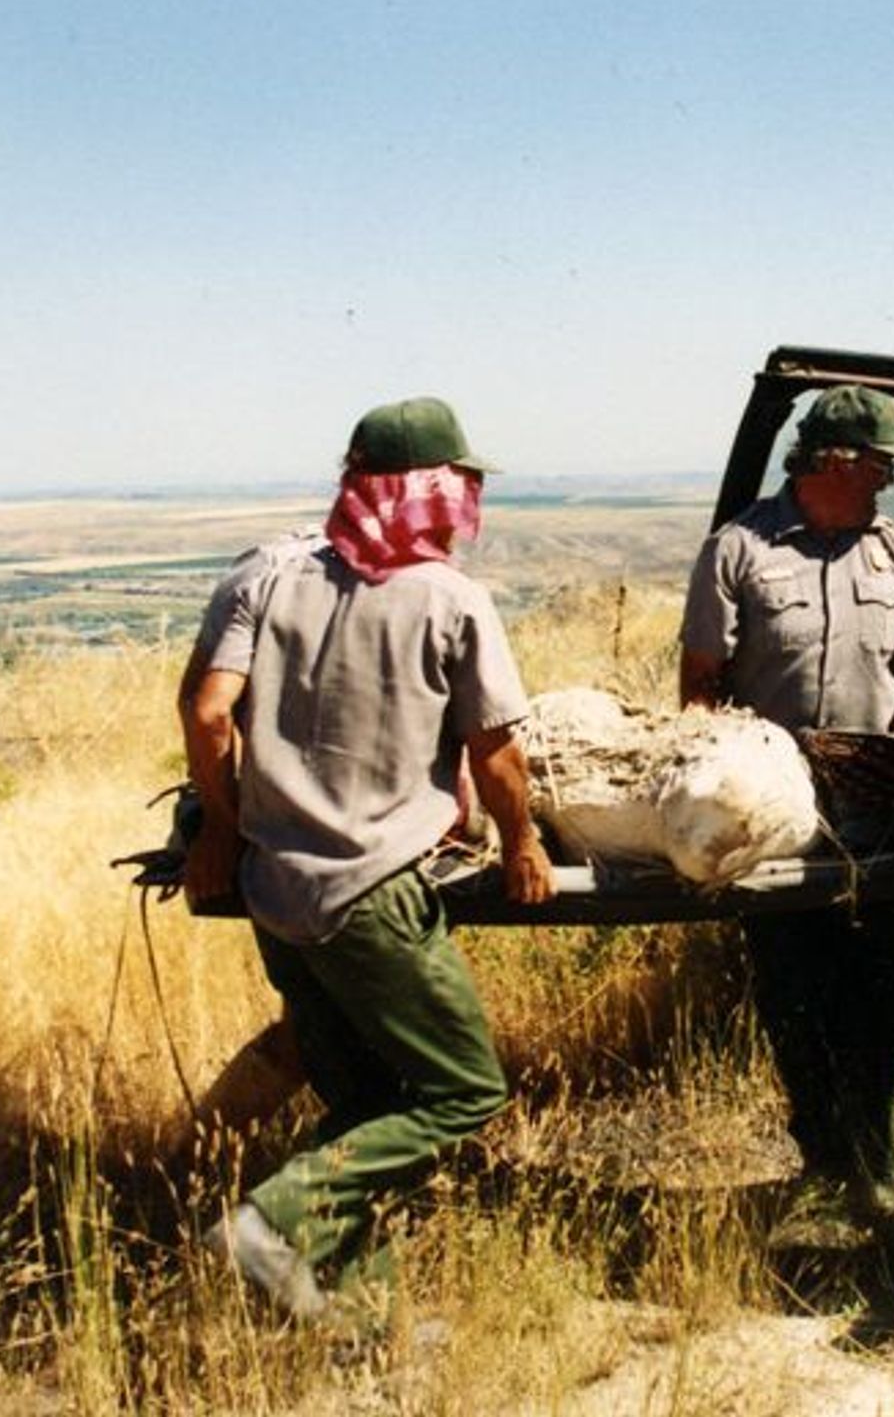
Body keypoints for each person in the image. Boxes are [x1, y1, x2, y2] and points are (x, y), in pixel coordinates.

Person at [181, 395, 555, 1321]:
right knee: (462, 1089)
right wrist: (522, 842)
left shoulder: (264, 571)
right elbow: (496, 750)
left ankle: (357, 1317)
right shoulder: (450, 597)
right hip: (377, 893)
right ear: (433, 489)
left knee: (363, 1099)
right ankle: (270, 1222)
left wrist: (227, 823)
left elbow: (206, 712)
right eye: (460, 486)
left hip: (276, 891)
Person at [679, 383, 894, 1227]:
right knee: (796, 994)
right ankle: (824, 1166)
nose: (888, 483)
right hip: (777, 823)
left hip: (875, 815)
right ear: (833, 461)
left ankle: (880, 1164)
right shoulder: (741, 551)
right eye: (879, 465)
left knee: (887, 992)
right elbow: (700, 689)